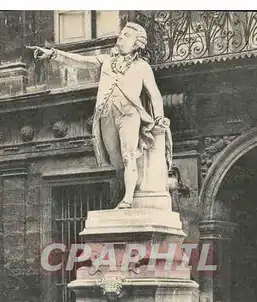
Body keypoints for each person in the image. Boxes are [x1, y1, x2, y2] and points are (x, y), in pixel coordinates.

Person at [27, 22, 171, 209]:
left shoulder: (143, 67)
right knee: (115, 159)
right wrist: (54, 54)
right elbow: (80, 61)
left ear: (137, 44)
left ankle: (127, 198)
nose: (120, 37)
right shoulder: (106, 61)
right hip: (105, 114)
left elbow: (155, 96)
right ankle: (127, 190)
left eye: (127, 35)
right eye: (121, 33)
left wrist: (159, 118)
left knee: (128, 156)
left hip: (129, 114)